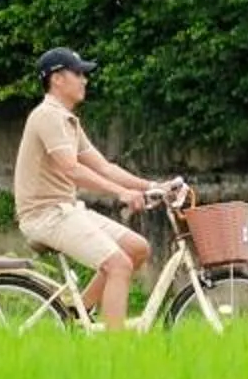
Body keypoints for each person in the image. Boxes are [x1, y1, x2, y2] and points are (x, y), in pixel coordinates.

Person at [16, 48, 171, 332]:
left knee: (137, 249)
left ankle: (78, 312)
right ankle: (115, 348)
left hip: (65, 209)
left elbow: (104, 166)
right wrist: (121, 193)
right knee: (119, 266)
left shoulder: (67, 120)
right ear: (57, 79)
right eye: (79, 73)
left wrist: (153, 186)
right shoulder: (47, 116)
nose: (84, 80)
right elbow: (70, 168)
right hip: (46, 214)